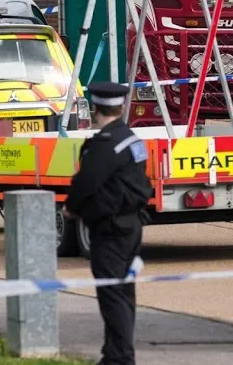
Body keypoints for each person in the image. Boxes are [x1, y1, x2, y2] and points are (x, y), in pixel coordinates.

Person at [64, 82, 153, 365]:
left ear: (96, 107)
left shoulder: (105, 144)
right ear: (122, 106)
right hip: (131, 227)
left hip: (110, 231)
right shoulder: (132, 140)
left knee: (112, 295)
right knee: (123, 294)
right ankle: (115, 353)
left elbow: (86, 182)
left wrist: (70, 208)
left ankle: (120, 358)